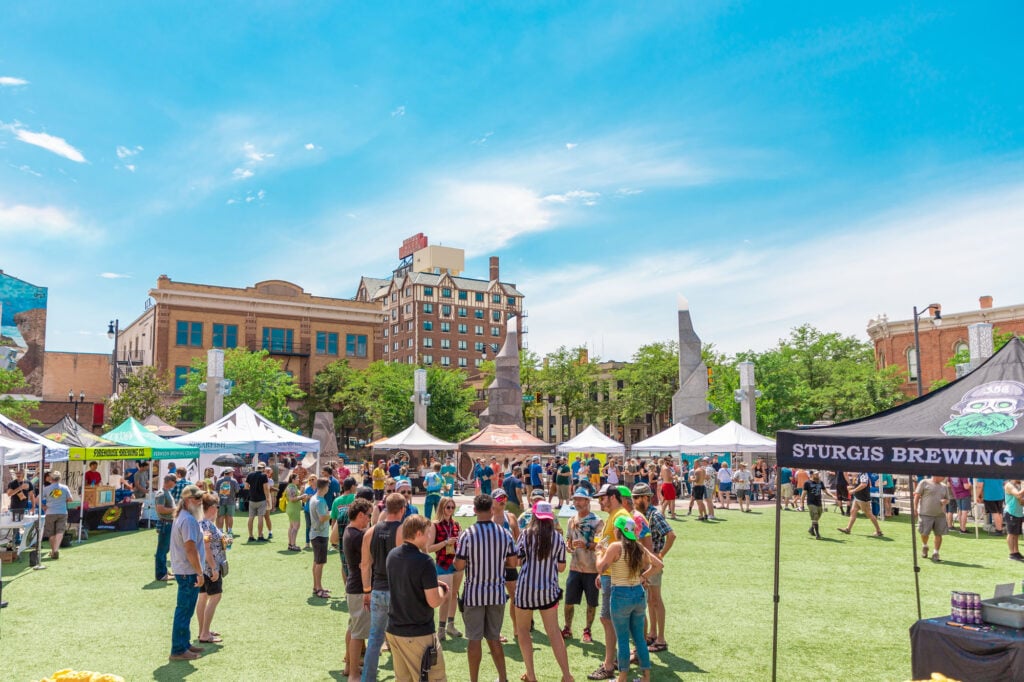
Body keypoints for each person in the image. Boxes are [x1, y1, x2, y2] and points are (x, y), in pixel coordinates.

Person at [454, 493, 517, 682]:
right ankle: (503, 678)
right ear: (491, 509)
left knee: (474, 639)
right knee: (494, 638)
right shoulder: (504, 533)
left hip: (474, 593)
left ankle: (474, 680)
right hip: (497, 593)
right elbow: (513, 563)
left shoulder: (467, 534)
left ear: (474, 510)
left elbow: (459, 565)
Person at [594, 516, 664, 682]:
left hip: (620, 594)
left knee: (623, 638)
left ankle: (622, 678)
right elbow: (659, 564)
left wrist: (598, 551)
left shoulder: (615, 546)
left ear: (618, 530)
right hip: (638, 594)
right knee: (640, 637)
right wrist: (643, 577)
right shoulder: (638, 546)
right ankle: (646, 677)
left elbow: (600, 567)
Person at [514, 501, 573, 682]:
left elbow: (517, 561)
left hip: (525, 590)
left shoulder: (526, 534)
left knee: (523, 631)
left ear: (534, 515)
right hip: (548, 590)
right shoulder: (558, 538)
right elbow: (562, 567)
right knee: (554, 632)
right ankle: (566, 675)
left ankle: (531, 675)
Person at [384, 515, 448, 681]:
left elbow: (407, 582)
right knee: (434, 677)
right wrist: (442, 591)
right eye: (427, 533)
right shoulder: (425, 561)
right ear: (418, 533)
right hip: (418, 633)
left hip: (394, 629)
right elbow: (433, 601)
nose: (429, 537)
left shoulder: (392, 555)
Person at [361, 492, 407, 682]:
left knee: (374, 639)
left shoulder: (370, 531)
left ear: (385, 507)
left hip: (377, 590)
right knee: (403, 639)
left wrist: (366, 591)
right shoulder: (402, 531)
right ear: (403, 509)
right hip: (397, 592)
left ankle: (368, 679)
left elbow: (364, 564)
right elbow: (405, 565)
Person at [589, 484, 630, 681]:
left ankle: (610, 665)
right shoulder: (614, 516)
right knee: (608, 619)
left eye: (602, 497)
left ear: (613, 497)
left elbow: (630, 546)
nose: (599, 501)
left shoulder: (620, 516)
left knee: (609, 620)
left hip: (615, 577)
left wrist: (600, 558)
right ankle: (611, 662)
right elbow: (604, 542)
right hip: (609, 574)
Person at [632, 482, 674, 652]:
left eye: (636, 497)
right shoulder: (642, 514)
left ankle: (661, 639)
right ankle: (653, 633)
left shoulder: (654, 515)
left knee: (656, 599)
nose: (634, 500)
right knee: (650, 600)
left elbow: (671, 535)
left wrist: (661, 554)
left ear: (646, 498)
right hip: (645, 562)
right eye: (633, 497)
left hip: (652, 562)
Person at [168, 484, 206, 661]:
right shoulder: (188, 520)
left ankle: (184, 644)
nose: (200, 501)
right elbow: (190, 549)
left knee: (186, 609)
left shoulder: (183, 517)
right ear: (187, 501)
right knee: (184, 610)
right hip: (188, 571)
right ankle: (178, 649)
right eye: (197, 499)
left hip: (184, 569)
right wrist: (199, 572)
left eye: (200, 498)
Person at [563, 488, 603, 644]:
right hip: (575, 567)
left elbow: (602, 544)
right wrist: (568, 546)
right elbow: (568, 538)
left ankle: (588, 629)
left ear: (587, 501)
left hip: (592, 568)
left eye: (580, 499)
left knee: (591, 602)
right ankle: (567, 628)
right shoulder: (571, 520)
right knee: (568, 601)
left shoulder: (597, 521)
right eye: (575, 499)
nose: (577, 502)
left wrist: (587, 544)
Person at [343, 499, 373, 682]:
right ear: (360, 515)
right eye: (368, 516)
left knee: (353, 628)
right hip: (359, 588)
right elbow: (366, 564)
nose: (370, 519)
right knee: (358, 633)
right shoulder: (358, 536)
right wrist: (368, 589)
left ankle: (349, 665)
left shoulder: (350, 530)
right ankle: (353, 673)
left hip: (354, 586)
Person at [426, 496, 463, 641]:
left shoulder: (456, 524)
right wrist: (445, 542)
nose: (451, 510)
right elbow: (429, 548)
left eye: (453, 507)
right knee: (446, 596)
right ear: (442, 508)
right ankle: (441, 628)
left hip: (456, 563)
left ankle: (451, 625)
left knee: (454, 594)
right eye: (448, 507)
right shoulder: (434, 525)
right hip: (442, 563)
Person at [197, 493, 228, 644]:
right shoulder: (206, 524)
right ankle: (204, 633)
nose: (218, 509)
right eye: (217, 506)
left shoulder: (203, 522)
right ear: (211, 508)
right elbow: (206, 548)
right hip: (210, 568)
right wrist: (215, 568)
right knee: (215, 597)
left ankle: (203, 630)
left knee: (203, 597)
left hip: (203, 568)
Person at [492, 488, 521, 641]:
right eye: (498, 499)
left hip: (509, 564)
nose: (502, 501)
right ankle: (496, 632)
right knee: (496, 599)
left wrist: (520, 557)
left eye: (504, 498)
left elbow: (519, 539)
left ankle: (517, 629)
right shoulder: (488, 518)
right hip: (493, 565)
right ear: (492, 501)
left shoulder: (510, 517)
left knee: (515, 596)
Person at [914, 475, 951, 563]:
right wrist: (915, 508)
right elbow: (917, 496)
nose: (944, 478)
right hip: (925, 514)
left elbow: (948, 499)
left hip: (940, 515)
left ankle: (936, 553)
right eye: (942, 476)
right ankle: (925, 546)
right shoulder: (924, 482)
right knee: (924, 533)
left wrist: (945, 501)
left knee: (939, 534)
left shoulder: (944, 486)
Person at [838, 472, 883, 537]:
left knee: (869, 514)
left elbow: (864, 484)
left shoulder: (863, 474)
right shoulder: (860, 474)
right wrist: (852, 487)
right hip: (858, 497)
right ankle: (848, 529)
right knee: (853, 511)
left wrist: (853, 490)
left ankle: (878, 531)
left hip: (863, 498)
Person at [309, 478, 332, 598]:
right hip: (320, 534)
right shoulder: (320, 501)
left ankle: (317, 586)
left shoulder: (315, 498)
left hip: (316, 533)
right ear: (324, 487)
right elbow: (323, 517)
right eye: (328, 486)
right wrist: (333, 513)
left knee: (317, 562)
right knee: (320, 563)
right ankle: (318, 588)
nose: (328, 488)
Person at [42, 471, 72, 560]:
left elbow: (37, 500)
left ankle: (53, 551)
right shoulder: (65, 487)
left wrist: (44, 506)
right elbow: (70, 499)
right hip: (62, 511)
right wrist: (62, 500)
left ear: (51, 479)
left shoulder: (46, 489)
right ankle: (55, 550)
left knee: (51, 533)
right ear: (59, 478)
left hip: (50, 512)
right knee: (60, 532)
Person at [154, 475, 177, 581]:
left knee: (165, 549)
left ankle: (163, 571)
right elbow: (160, 509)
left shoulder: (166, 492)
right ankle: (161, 574)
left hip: (168, 523)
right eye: (174, 481)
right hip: (165, 524)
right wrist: (175, 509)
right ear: (169, 481)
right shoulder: (161, 493)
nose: (175, 483)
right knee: (162, 550)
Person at [244, 462, 272, 542]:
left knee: (251, 518)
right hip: (261, 499)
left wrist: (252, 490)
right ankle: (260, 536)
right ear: (263, 468)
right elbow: (266, 488)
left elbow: (246, 486)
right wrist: (268, 499)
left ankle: (250, 536)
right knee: (260, 517)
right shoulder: (264, 476)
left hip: (252, 499)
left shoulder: (250, 475)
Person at [803, 471, 834, 540]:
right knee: (815, 515)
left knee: (816, 518)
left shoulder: (820, 482)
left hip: (818, 503)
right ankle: (817, 534)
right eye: (816, 474)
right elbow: (804, 494)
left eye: (818, 474)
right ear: (812, 475)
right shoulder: (807, 483)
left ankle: (811, 529)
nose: (817, 475)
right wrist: (801, 504)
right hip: (811, 503)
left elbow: (825, 490)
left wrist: (832, 495)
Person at [284, 473, 306, 552]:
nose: (298, 479)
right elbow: (292, 499)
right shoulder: (292, 487)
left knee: (292, 527)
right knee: (295, 527)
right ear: (293, 479)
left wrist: (302, 491)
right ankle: (293, 545)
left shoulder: (292, 486)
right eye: (297, 478)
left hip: (292, 509)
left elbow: (295, 496)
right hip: (293, 509)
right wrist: (302, 496)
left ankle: (290, 544)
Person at [1004, 479, 1024, 562]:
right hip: (1011, 512)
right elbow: (1018, 495)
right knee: (1011, 534)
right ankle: (1012, 553)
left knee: (1016, 534)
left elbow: (1021, 500)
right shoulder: (1009, 485)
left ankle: (1016, 552)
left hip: (1018, 513)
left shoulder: (1018, 485)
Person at [215, 469, 239, 536]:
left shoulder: (219, 480)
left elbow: (216, 490)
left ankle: (220, 531)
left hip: (221, 501)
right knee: (230, 516)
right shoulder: (233, 480)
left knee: (221, 516)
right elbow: (237, 490)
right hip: (230, 501)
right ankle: (229, 531)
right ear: (230, 473)